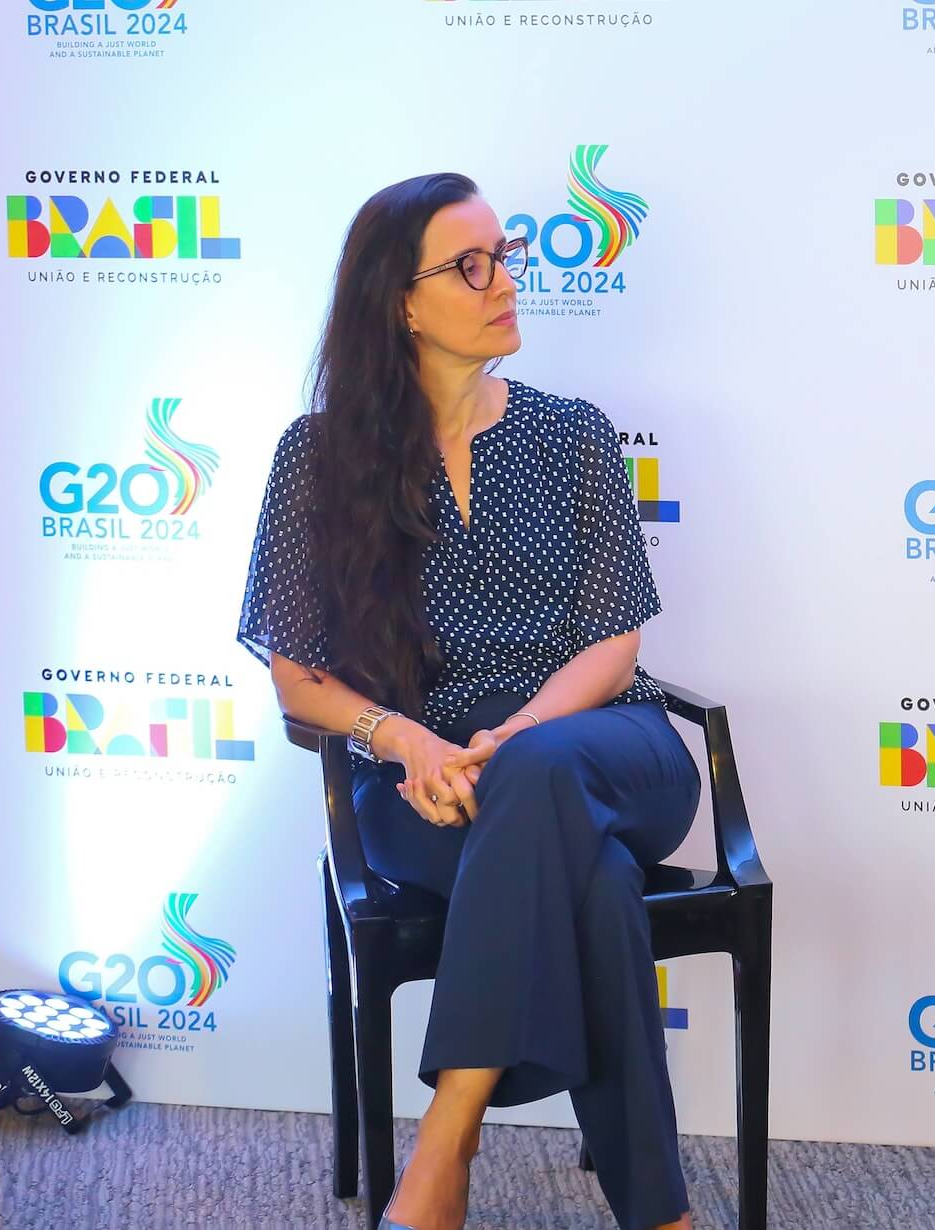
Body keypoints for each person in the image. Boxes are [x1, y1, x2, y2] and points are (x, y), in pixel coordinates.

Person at [236, 172, 698, 1230]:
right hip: (424, 787)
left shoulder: (573, 432)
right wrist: (407, 741)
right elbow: (298, 671)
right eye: (469, 265)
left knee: (542, 779)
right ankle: (661, 1216)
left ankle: (443, 1147)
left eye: (505, 258)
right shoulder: (318, 458)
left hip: (604, 749)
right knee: (601, 893)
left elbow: (615, 640)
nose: (503, 284)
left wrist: (512, 740)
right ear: (398, 299)